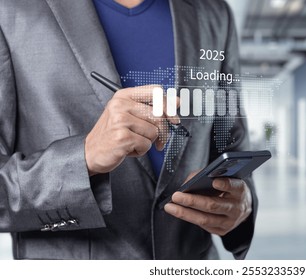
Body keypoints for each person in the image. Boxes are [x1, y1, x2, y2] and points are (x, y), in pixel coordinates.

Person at [0, 0, 257, 260]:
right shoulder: (11, 9)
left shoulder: (214, 12)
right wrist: (83, 157)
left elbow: (231, 148)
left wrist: (241, 207)